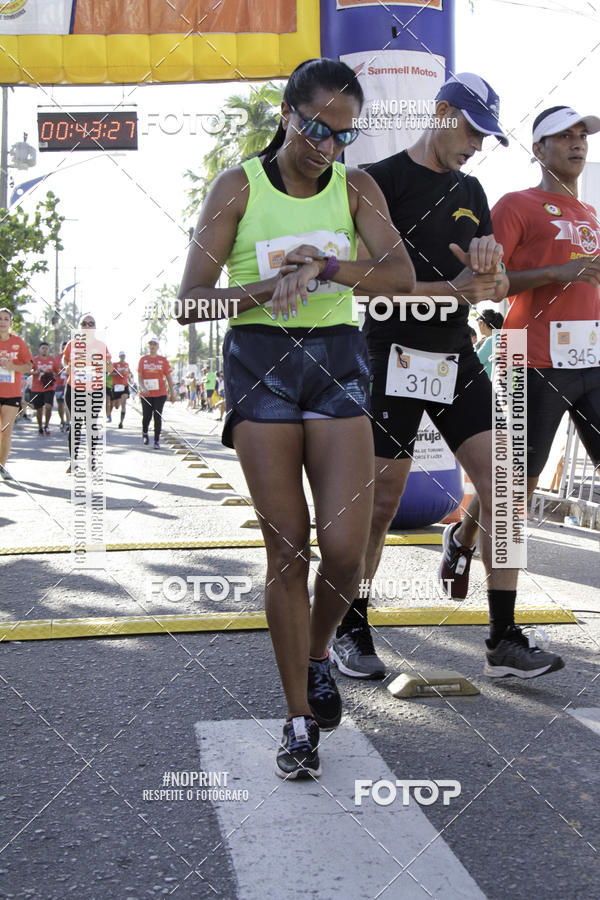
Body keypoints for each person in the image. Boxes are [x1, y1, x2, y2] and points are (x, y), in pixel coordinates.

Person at [177, 57, 415, 779]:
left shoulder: (356, 186)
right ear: (287, 114)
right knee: (288, 548)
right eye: (315, 128)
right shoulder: (238, 186)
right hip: (261, 365)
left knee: (344, 549)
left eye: (343, 134)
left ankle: (317, 654)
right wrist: (269, 285)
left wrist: (327, 268)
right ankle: (298, 718)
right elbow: (190, 301)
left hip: (337, 360)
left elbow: (400, 276)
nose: (327, 145)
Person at [327, 72, 564, 682]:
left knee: (504, 485)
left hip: (455, 354)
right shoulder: (376, 181)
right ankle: (352, 622)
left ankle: (503, 637)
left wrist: (490, 274)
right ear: (440, 112)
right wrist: (451, 290)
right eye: (471, 130)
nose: (476, 146)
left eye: (487, 137)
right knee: (380, 501)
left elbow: (491, 282)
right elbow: (363, 283)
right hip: (391, 350)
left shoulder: (473, 189)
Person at [452, 105, 600, 597]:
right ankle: (502, 623)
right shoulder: (516, 205)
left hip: (590, 358)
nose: (578, 143)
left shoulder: (590, 214)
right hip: (526, 359)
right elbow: (487, 283)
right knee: (514, 492)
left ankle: (463, 537)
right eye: (564, 136)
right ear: (538, 149)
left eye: (582, 135)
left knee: (509, 487)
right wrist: (557, 272)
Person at [63, 314, 113, 474]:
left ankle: (92, 460)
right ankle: (73, 461)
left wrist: (99, 363)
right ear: (80, 327)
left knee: (91, 423)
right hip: (74, 388)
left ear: (95, 327)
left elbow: (110, 368)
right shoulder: (72, 344)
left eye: (91, 323)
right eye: (84, 323)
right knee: (75, 424)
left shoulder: (101, 345)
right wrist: (67, 367)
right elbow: (65, 360)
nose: (87, 326)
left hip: (95, 389)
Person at [0, 308, 32, 480]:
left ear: (11, 323)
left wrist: (13, 367)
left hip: (11, 394)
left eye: (6, 319)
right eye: (0, 318)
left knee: (5, 432)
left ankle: (2, 466)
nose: (2, 322)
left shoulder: (18, 342)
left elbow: (29, 365)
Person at [138, 338, 175, 448]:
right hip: (146, 394)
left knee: (157, 416)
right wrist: (142, 387)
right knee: (147, 416)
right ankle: (145, 432)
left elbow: (169, 377)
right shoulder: (143, 359)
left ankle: (156, 441)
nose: (152, 346)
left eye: (154, 344)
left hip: (160, 393)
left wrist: (172, 393)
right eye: (151, 344)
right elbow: (139, 377)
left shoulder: (163, 360)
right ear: (148, 346)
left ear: (158, 347)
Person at [31, 340, 59, 435]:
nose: (45, 350)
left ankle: (46, 425)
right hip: (36, 387)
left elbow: (58, 373)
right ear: (39, 349)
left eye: (46, 348)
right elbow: (27, 372)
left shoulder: (52, 360)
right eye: (43, 348)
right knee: (39, 409)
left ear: (48, 350)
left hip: (49, 387)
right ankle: (40, 427)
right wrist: (36, 372)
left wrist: (51, 374)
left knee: (48, 406)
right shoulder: (35, 360)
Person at [475, 308, 504, 377]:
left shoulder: (491, 340)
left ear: (482, 323)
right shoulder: (500, 337)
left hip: (490, 381)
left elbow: (475, 362)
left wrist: (477, 346)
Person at [111, 351, 132, 428]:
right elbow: (110, 374)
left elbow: (129, 373)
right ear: (119, 357)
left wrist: (130, 378)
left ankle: (121, 422)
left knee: (124, 404)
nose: (123, 357)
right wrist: (119, 372)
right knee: (116, 406)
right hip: (116, 386)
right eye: (121, 356)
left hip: (124, 386)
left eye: (124, 356)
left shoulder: (127, 365)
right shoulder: (115, 364)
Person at [54, 341, 68, 431]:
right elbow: (54, 371)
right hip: (59, 384)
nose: (64, 349)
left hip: (69, 384)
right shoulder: (57, 358)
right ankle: (62, 420)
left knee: (68, 404)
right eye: (63, 348)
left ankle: (68, 422)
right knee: (60, 404)